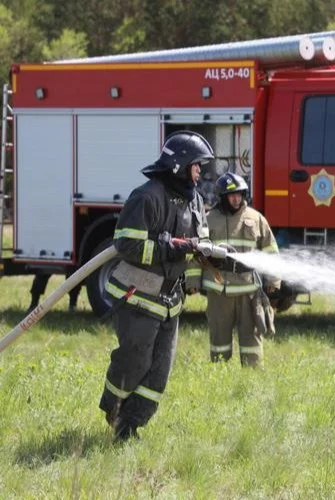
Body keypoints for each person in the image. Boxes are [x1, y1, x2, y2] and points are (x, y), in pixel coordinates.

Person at [98, 130, 214, 442]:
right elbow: (126, 244)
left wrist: (209, 252)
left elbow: (198, 238)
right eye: (196, 165)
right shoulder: (147, 196)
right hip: (138, 295)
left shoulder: (194, 200)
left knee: (159, 371)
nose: (200, 171)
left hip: (169, 300)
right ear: (180, 164)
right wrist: (171, 247)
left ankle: (129, 427)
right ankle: (113, 408)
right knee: (136, 359)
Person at [199, 172, 280, 366]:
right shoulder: (209, 220)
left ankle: (252, 376)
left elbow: (270, 250)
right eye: (232, 195)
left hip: (248, 292)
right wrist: (193, 281)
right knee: (219, 339)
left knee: (251, 338)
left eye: (240, 194)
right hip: (219, 291)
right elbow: (197, 254)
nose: (236, 198)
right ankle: (220, 375)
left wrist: (273, 280)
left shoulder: (257, 219)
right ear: (223, 197)